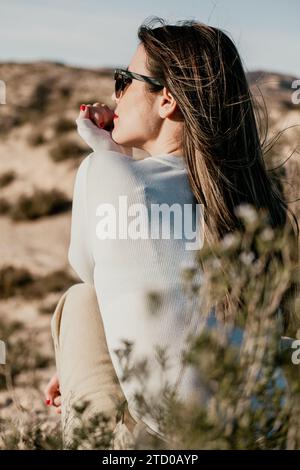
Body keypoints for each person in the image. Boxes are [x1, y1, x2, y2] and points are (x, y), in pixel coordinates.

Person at [44, 16, 299, 450]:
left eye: (125, 81)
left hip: (170, 440)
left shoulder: (104, 172)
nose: (114, 95)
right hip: (263, 429)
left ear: (167, 101)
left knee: (82, 300)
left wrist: (107, 149)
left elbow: (90, 270)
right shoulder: (251, 198)